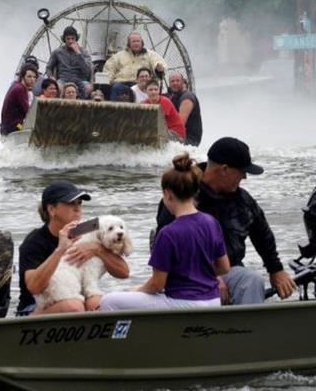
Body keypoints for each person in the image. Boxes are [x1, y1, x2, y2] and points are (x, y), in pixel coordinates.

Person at [155, 137, 296, 305]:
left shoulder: (242, 200)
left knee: (252, 280)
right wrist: (211, 277)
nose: (244, 177)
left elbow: (262, 235)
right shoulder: (184, 193)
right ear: (224, 169)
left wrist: (276, 270)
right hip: (186, 276)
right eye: (242, 171)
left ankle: (249, 329)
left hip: (229, 270)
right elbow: (166, 247)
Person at [99, 153, 228, 311]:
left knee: (109, 300)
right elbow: (224, 267)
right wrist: (198, 274)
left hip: (183, 304)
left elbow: (156, 284)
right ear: (195, 191)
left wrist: (135, 290)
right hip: (213, 301)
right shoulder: (211, 222)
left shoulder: (168, 233)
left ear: (167, 194)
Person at [17, 181, 129, 316]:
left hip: (79, 295)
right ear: (52, 209)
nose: (77, 209)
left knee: (100, 304)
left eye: (79, 203)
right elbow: (34, 287)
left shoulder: (88, 230)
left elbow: (124, 273)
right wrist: (60, 250)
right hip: (34, 306)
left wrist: (97, 249)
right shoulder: (34, 241)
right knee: (73, 307)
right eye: (71, 204)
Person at [103, 32, 167, 100]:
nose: (136, 43)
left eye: (138, 41)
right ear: (129, 44)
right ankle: (113, 109)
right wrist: (106, 83)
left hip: (141, 84)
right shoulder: (119, 55)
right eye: (133, 41)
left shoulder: (150, 54)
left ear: (141, 42)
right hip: (121, 83)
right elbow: (109, 68)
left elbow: (157, 61)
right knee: (116, 88)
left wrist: (158, 67)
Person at [46, 26, 93, 97]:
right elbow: (49, 67)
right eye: (68, 39)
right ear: (64, 39)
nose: (70, 41)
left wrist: (78, 53)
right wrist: (51, 77)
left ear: (76, 39)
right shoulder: (57, 52)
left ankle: (82, 105)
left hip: (80, 80)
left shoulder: (84, 52)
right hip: (63, 79)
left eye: (72, 38)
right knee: (57, 86)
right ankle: (60, 105)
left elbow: (87, 71)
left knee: (89, 88)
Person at [165, 71, 203, 146]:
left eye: (177, 80)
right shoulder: (173, 96)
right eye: (172, 81)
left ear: (182, 82)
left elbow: (180, 123)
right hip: (178, 136)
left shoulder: (187, 97)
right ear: (169, 84)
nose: (175, 83)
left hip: (190, 139)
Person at [1, 64, 38, 136]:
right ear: (22, 77)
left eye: (34, 77)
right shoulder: (20, 89)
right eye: (29, 76)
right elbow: (28, 112)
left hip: (7, 126)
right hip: (14, 126)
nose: (33, 80)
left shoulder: (16, 85)